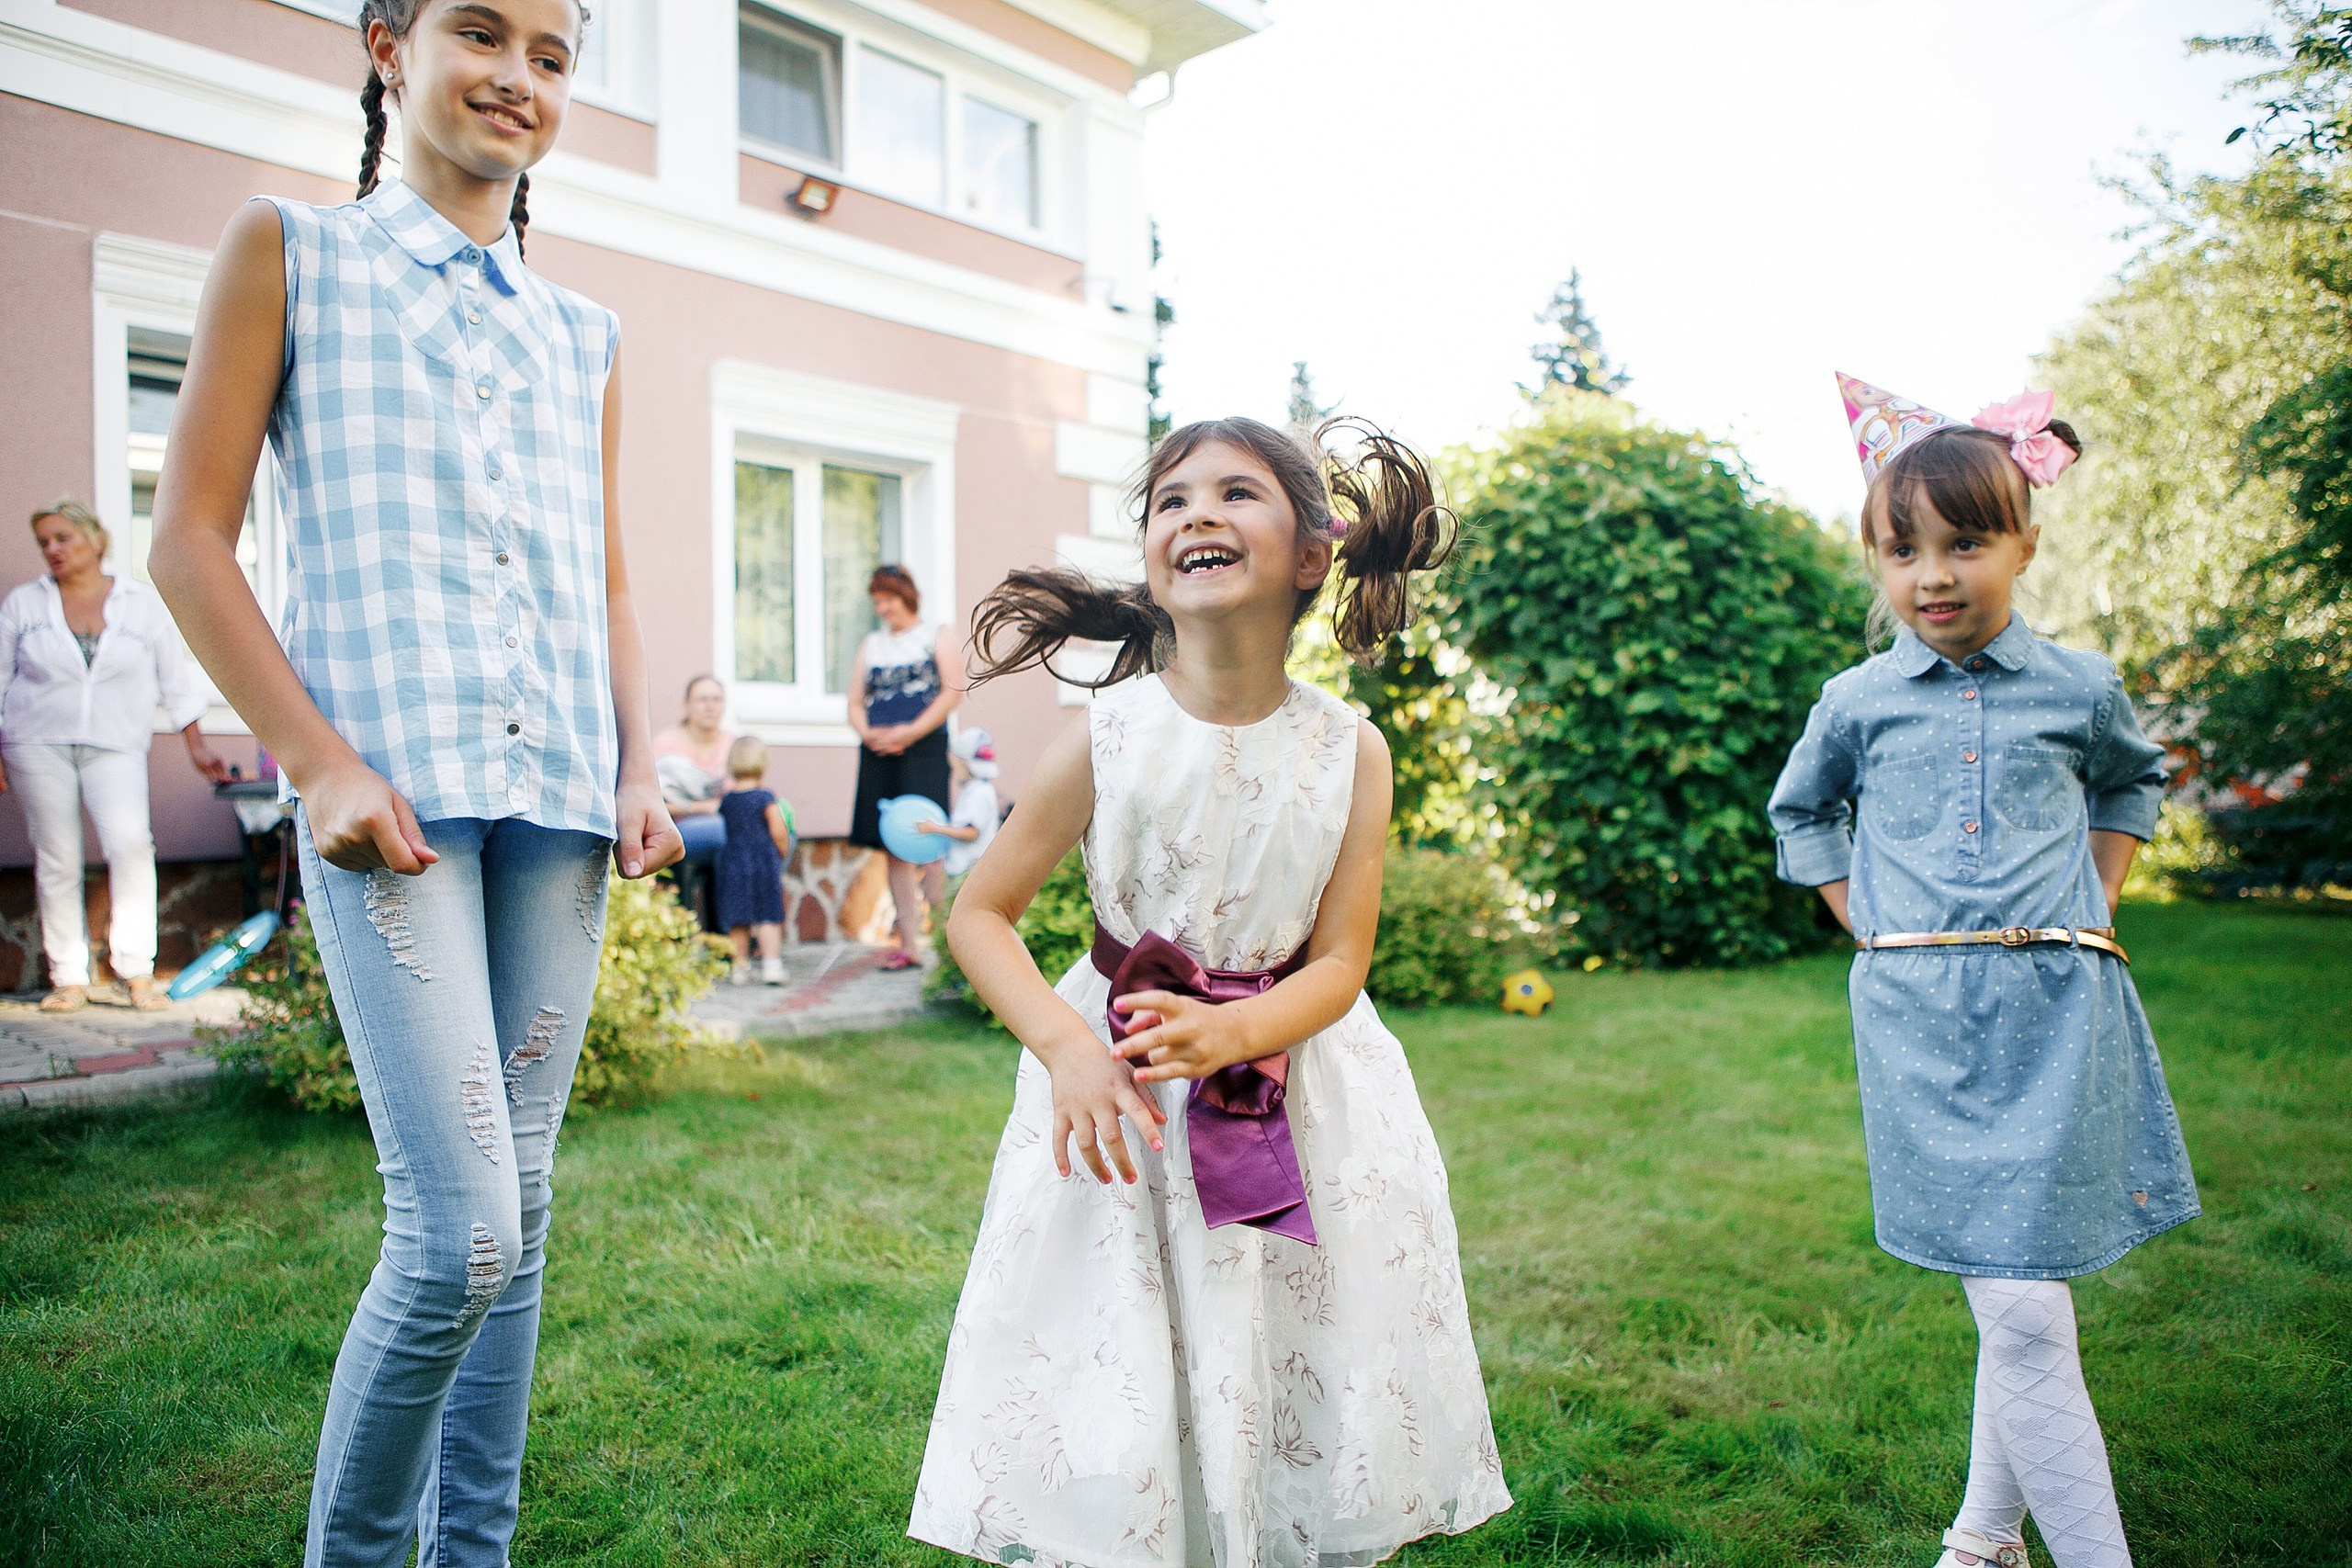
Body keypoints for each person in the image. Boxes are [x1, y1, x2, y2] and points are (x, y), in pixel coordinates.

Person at [145, 2, 681, 1562]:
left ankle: (479, 1551)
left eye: (554, 55)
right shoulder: (292, 251)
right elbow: (189, 535)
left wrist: (642, 758)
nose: (518, 77)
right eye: (482, 32)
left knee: (520, 1225)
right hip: (390, 803)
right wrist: (317, 761)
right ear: (391, 44)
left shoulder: (585, 333)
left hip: (563, 807)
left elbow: (612, 581)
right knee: (456, 1235)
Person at [909, 417, 1510, 1566]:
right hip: (1124, 1094)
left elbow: (1337, 962)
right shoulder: (1105, 738)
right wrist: (1066, 1049)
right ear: (1150, 552)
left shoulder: (1350, 751)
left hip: (1292, 1086)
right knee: (1126, 1343)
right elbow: (978, 916)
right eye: (1171, 499)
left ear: (1310, 557)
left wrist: (1236, 1026)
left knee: (1283, 1335)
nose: (1196, 514)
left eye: (1237, 494)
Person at [1769, 378, 2198, 1568]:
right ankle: (2010, 1538)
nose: (1934, 574)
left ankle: (1982, 1536)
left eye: (1966, 542)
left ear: (2025, 540)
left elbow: (2131, 777)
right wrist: (1866, 919)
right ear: (1878, 560)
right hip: (1919, 1023)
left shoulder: (2080, 685)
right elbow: (1800, 811)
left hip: (2061, 1013)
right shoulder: (1856, 700)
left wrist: (2100, 890)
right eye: (1903, 550)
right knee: (2015, 1298)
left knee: (2023, 1292)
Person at [0, 500, 230, 1010]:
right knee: (57, 856)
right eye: (44, 543)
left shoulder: (140, 605)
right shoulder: (24, 604)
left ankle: (137, 970)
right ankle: (69, 979)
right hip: (35, 743)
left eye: (63, 538)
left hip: (116, 744)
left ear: (96, 540)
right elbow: (0, 679)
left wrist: (196, 744)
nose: (52, 550)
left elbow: (176, 678)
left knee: (130, 845)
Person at [847, 563, 961, 970]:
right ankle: (909, 945)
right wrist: (870, 734)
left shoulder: (936, 635)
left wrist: (909, 733)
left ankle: (952, 947)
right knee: (894, 844)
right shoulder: (872, 644)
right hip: (879, 754)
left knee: (930, 843)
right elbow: (856, 703)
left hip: (923, 750)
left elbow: (952, 691)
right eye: (877, 601)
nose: (883, 608)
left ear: (907, 597)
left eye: (889, 599)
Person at [715, 735, 795, 986]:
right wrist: (780, 853)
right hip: (762, 863)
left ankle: (739, 969)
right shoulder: (765, 798)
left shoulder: (727, 800)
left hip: (733, 863)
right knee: (768, 915)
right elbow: (779, 832)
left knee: (738, 918)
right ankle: (771, 967)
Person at [653, 673, 736, 870]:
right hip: (677, 826)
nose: (710, 706)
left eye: (717, 699)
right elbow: (654, 803)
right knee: (725, 833)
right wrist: (701, 808)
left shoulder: (733, 745)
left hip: (726, 825)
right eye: (702, 699)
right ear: (687, 705)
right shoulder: (665, 745)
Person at [911, 726, 998, 880]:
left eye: (955, 766)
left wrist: (935, 828)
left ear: (965, 764)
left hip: (968, 873)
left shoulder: (979, 794)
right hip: (962, 871)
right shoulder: (976, 790)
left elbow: (972, 832)